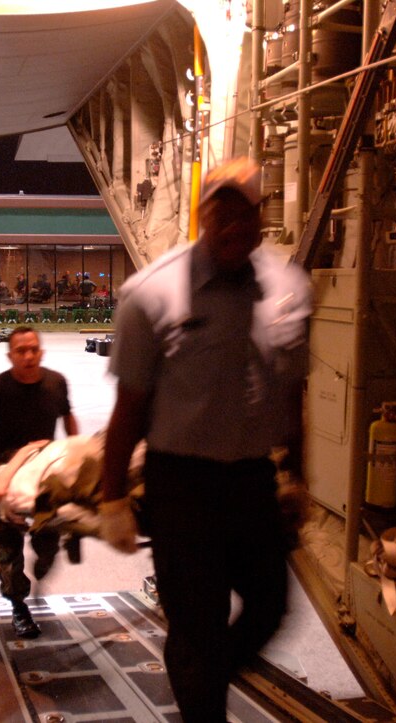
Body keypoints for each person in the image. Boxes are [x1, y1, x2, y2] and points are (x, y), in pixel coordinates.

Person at [97, 157, 312, 721]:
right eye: (225, 212)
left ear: (261, 216)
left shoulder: (287, 288)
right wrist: (112, 497)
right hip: (181, 489)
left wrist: (295, 473)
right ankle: (202, 697)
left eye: (248, 213)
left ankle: (201, 675)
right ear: (204, 213)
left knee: (271, 608)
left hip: (251, 483)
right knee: (199, 623)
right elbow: (130, 407)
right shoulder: (152, 295)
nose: (237, 225)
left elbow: (293, 393)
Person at [0, 326, 78, 639]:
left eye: (33, 349)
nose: (28, 356)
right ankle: (18, 605)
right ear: (10, 356)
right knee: (8, 545)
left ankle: (45, 558)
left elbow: (69, 417)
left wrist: (75, 458)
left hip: (44, 466)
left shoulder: (56, 383)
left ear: (41, 352)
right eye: (21, 351)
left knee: (49, 540)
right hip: (6, 467)